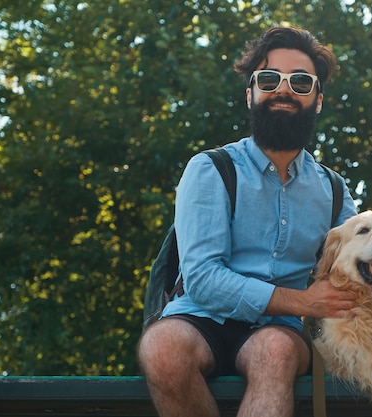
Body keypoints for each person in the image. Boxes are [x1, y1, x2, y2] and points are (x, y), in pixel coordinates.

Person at [137, 26, 358, 417]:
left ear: (317, 100)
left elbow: (357, 274)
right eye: (269, 79)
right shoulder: (210, 169)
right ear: (251, 93)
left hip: (279, 332)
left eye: (301, 81)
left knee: (275, 351)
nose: (283, 89)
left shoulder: (335, 191)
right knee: (161, 346)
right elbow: (203, 279)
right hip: (198, 317)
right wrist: (304, 301)